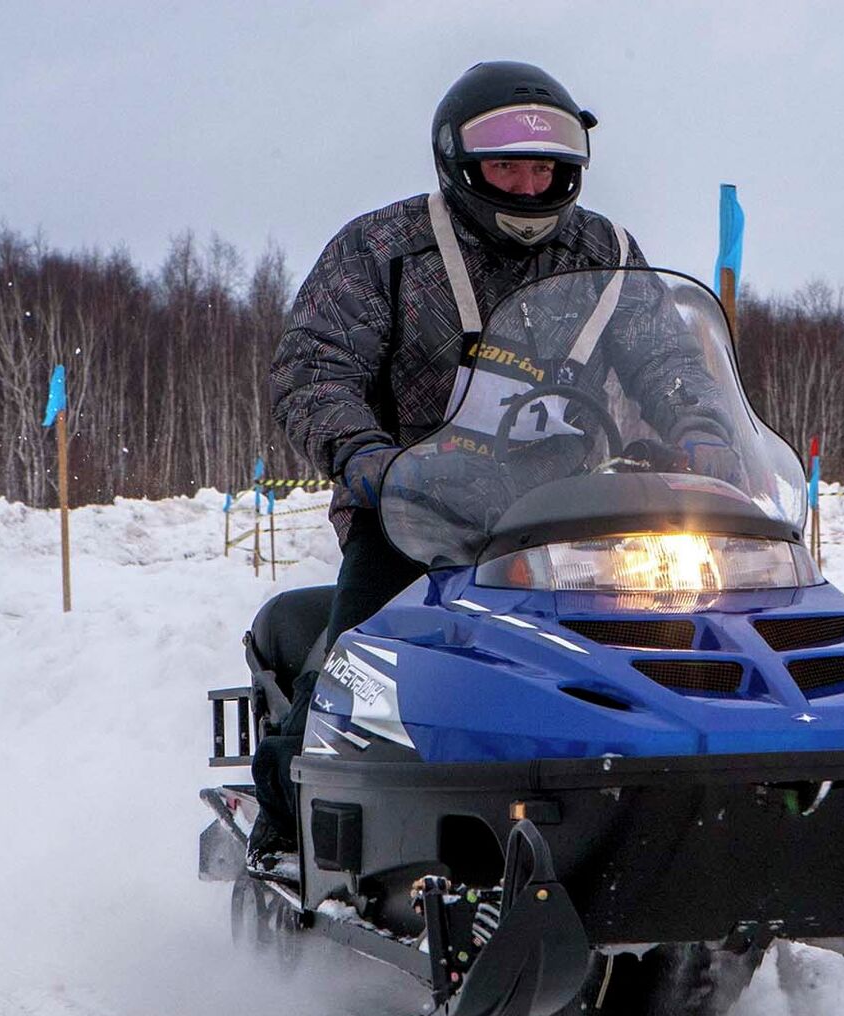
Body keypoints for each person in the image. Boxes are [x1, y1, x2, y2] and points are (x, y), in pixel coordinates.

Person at [245, 61, 732, 871]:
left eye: (544, 167)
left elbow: (666, 356)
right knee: (354, 676)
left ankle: (669, 818)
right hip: (416, 513)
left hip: (575, 518)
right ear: (461, 165)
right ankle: (285, 832)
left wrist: (702, 427)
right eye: (507, 165)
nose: (528, 183)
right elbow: (315, 366)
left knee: (670, 651)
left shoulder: (607, 249)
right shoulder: (384, 248)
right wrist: (364, 454)